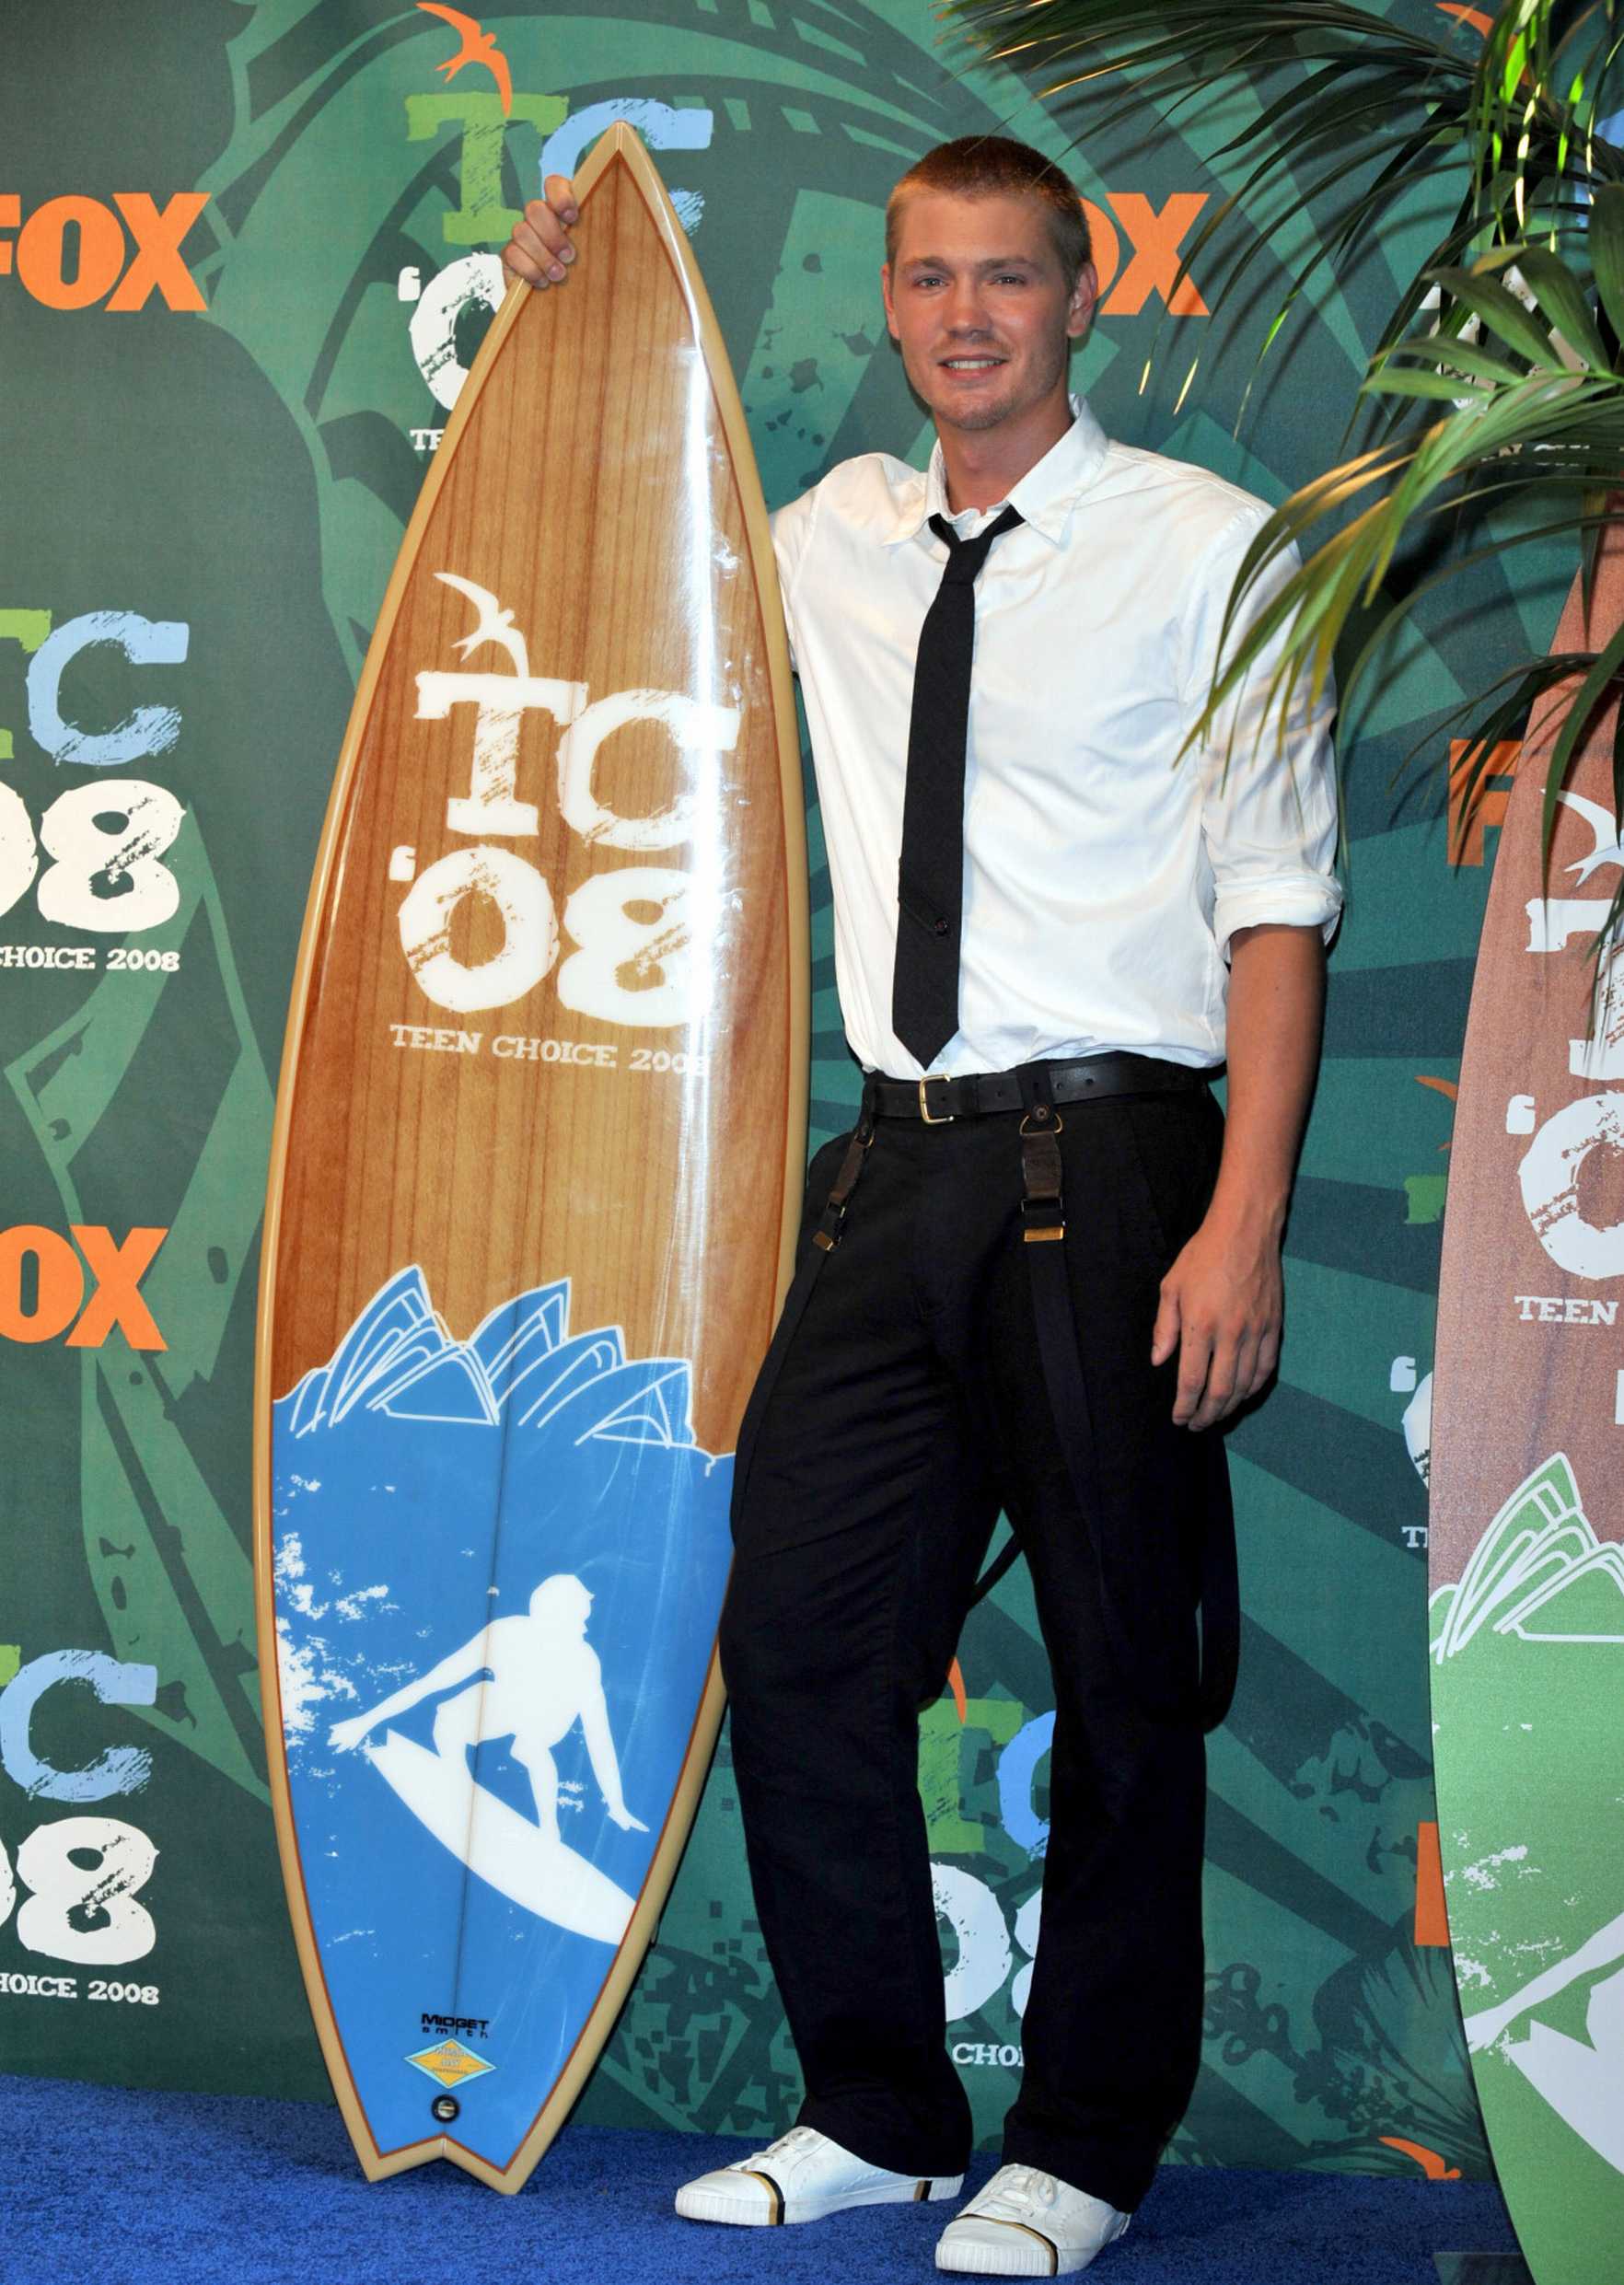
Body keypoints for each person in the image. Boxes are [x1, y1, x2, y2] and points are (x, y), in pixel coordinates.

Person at [504, 133, 1340, 2277]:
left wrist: (1243, 1221)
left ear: (1083, 298)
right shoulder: (829, 537)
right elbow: (602, 541)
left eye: (1009, 276)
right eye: (932, 278)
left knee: (1125, 1672)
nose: (968, 315)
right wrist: (552, 313)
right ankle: (878, 2105)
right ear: (889, 305)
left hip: (1119, 1163)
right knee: (797, 1633)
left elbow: (1276, 906)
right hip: (893, 1166)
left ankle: (1087, 2144)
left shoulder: (1212, 549)